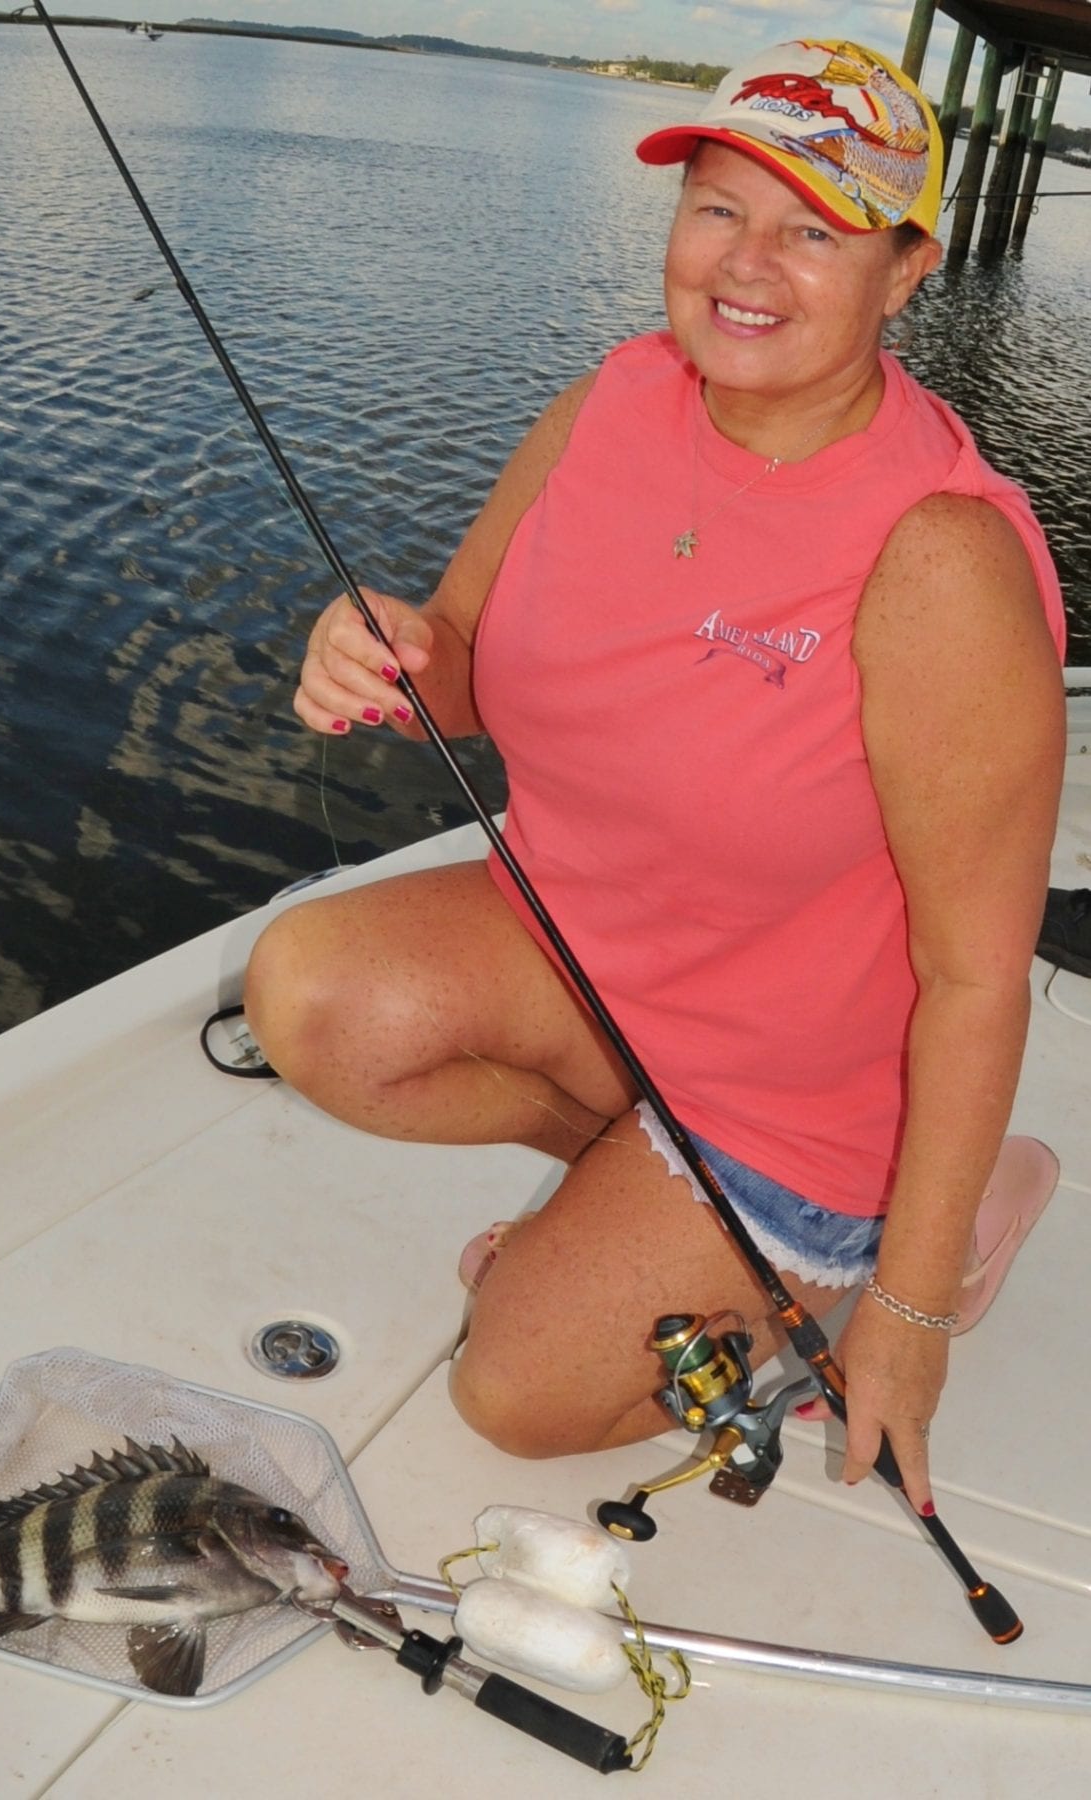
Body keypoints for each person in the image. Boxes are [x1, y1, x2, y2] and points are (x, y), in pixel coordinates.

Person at [244, 40, 1067, 1514]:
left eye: (815, 228)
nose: (748, 265)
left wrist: (918, 1323)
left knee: (515, 1392)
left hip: (800, 1093)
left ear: (905, 270)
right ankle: (644, 1194)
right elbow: (474, 670)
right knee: (312, 994)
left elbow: (976, 976)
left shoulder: (942, 559)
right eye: (716, 208)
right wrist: (375, 646)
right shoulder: (612, 398)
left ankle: (891, 1236)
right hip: (595, 964)